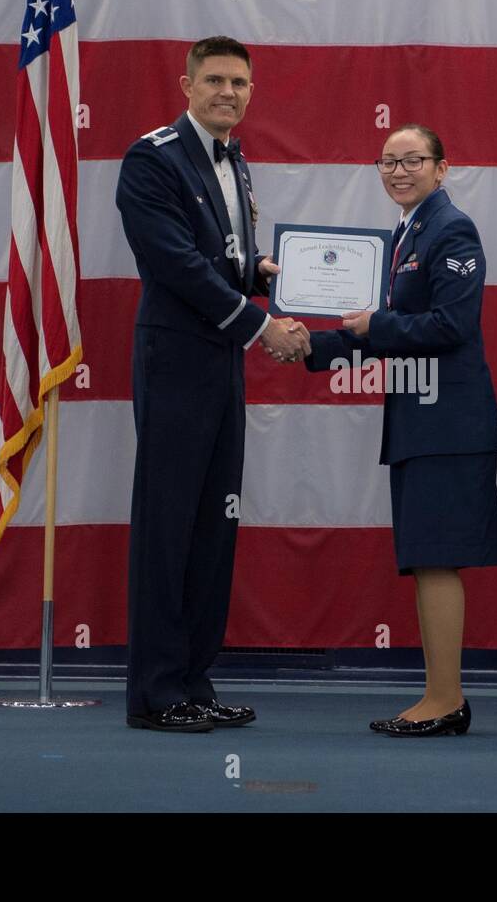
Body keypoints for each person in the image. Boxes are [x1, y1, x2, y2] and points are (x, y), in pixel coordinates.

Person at [115, 36, 311, 732]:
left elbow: (215, 257)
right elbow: (172, 263)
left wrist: (255, 272)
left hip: (221, 362)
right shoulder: (152, 157)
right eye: (215, 80)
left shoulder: (236, 159)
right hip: (177, 363)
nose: (228, 92)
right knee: (169, 529)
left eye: (240, 83)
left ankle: (194, 681)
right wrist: (259, 326)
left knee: (214, 526)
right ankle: (157, 692)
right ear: (186, 84)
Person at [300, 124, 497, 737]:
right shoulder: (404, 234)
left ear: (443, 168)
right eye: (388, 162)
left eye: (413, 160)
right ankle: (440, 693)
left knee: (437, 559)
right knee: (425, 560)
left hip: (449, 422)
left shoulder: (451, 228)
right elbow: (385, 328)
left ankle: (446, 700)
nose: (399, 170)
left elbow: (449, 325)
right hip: (423, 419)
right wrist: (310, 346)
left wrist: (371, 329)